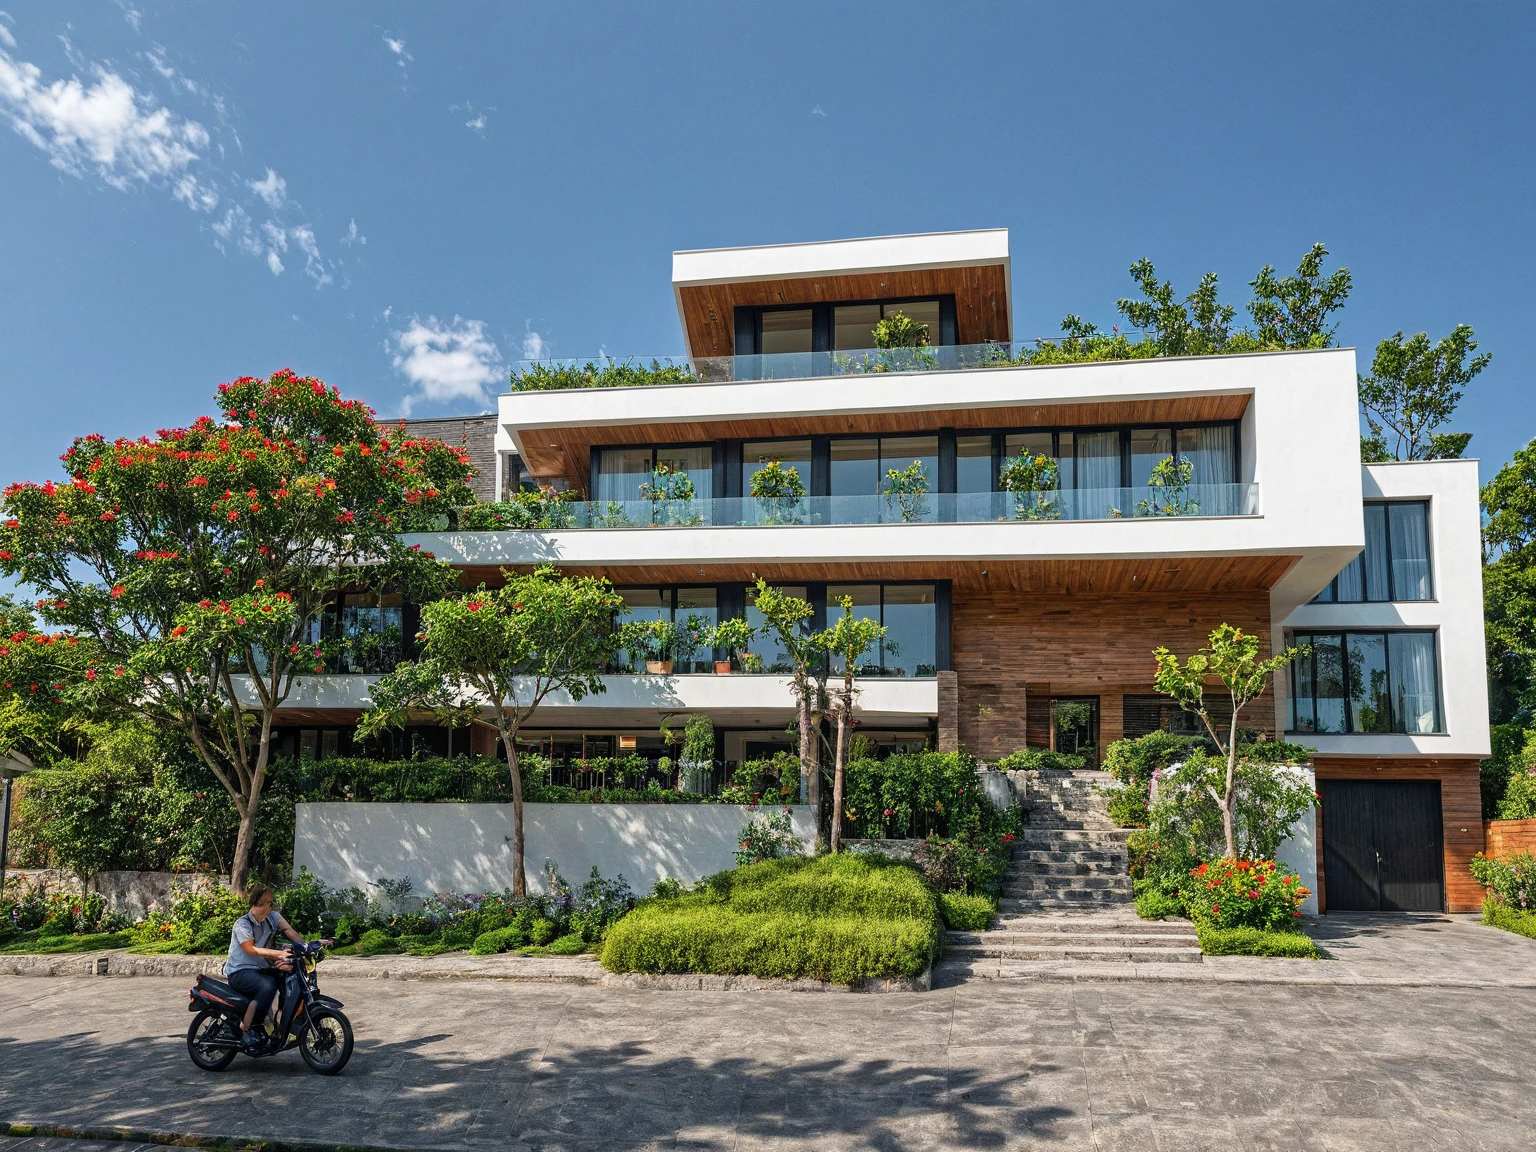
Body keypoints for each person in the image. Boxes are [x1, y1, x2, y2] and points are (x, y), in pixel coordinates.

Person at [224, 883, 305, 1053]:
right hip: (239, 971)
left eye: (270, 902)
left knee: (287, 977)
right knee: (267, 986)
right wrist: (279, 954)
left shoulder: (273, 917)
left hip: (259, 968)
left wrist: (305, 947)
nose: (269, 906)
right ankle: (249, 1028)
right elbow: (251, 950)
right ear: (255, 903)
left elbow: (289, 931)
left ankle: (279, 1024)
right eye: (265, 902)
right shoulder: (243, 924)